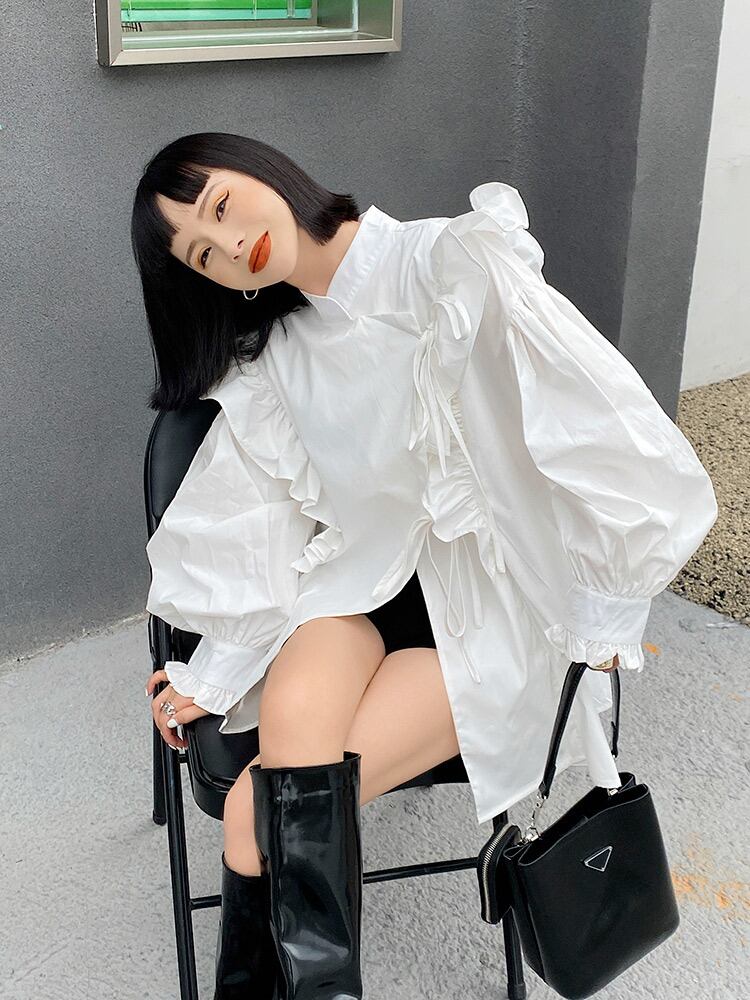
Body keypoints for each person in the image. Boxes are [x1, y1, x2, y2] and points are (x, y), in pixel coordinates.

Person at [131, 132, 717, 1000]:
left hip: (491, 612)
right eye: (203, 256)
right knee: (291, 716)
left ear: (262, 170)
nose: (229, 242)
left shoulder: (452, 265)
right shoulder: (280, 355)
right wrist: (213, 670)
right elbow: (270, 523)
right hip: (361, 587)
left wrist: (604, 615)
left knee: (253, 811)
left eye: (220, 206)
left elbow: (615, 434)